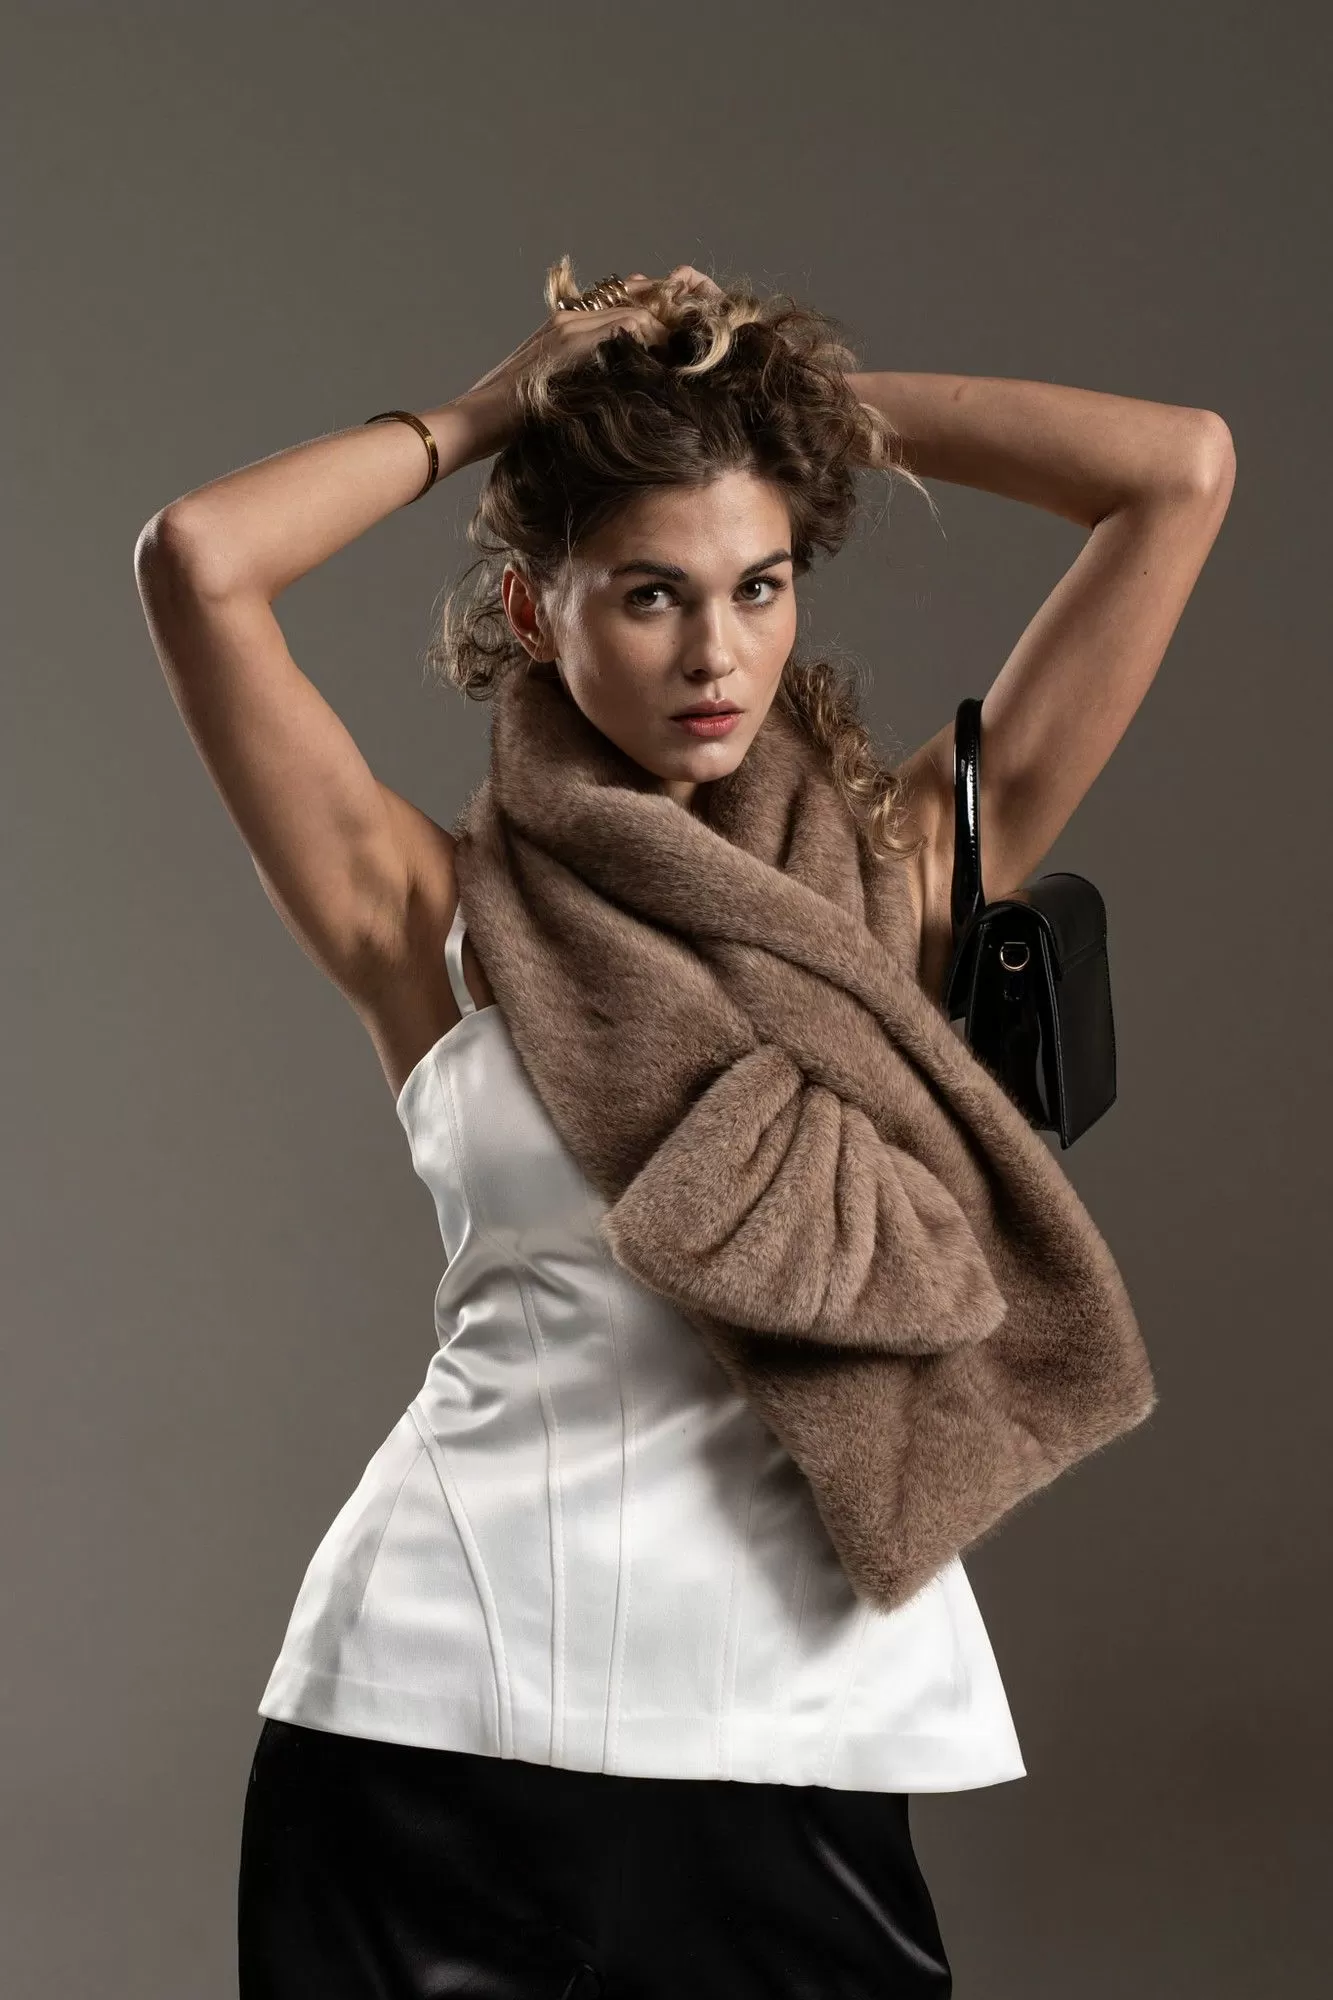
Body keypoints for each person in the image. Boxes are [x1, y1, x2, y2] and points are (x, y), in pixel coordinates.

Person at [133, 259, 1235, 1999]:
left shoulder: (894, 887)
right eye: (650, 594)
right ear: (532, 610)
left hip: (798, 1733)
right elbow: (199, 561)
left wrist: (768, 406)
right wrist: (499, 411)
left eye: (760, 584)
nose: (718, 654)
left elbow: (1177, 472)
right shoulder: (430, 911)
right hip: (432, 1723)